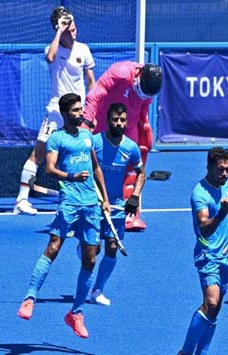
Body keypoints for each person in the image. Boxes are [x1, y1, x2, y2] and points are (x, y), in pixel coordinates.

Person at [16, 93, 110, 339]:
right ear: (66, 113)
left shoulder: (88, 137)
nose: (81, 113)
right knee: (53, 248)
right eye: (77, 110)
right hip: (69, 203)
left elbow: (96, 168)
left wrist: (106, 200)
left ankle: (76, 314)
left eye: (81, 109)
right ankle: (29, 298)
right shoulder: (56, 138)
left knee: (90, 260)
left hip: (91, 205)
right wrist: (71, 177)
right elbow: (49, 169)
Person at [14, 6, 96, 215]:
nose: (73, 29)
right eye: (68, 26)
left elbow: (91, 82)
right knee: (38, 155)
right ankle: (21, 200)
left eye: (73, 25)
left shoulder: (83, 49)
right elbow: (50, 58)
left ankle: (79, 198)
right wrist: (59, 31)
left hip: (79, 112)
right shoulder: (53, 48)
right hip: (56, 111)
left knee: (81, 154)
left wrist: (92, 110)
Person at [173, 147, 228, 355]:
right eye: (220, 169)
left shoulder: (226, 186)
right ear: (209, 167)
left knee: (216, 309)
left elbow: (227, 220)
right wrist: (221, 214)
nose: (224, 174)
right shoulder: (199, 194)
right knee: (210, 302)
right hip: (208, 255)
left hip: (226, 256)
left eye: (227, 170)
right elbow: (204, 226)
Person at [83, 61, 162, 231]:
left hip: (129, 127)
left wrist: (144, 128)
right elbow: (95, 94)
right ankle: (85, 212)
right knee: (94, 167)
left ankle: (129, 214)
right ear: (138, 74)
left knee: (133, 168)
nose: (142, 94)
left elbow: (144, 107)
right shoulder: (120, 72)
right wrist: (86, 122)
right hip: (103, 124)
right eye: (140, 90)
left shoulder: (149, 88)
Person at [88, 102, 146, 306]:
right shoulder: (94, 143)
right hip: (93, 204)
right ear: (108, 121)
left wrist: (135, 196)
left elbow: (141, 173)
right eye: (115, 120)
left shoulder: (131, 148)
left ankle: (97, 290)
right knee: (92, 251)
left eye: (122, 120)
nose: (119, 123)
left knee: (111, 247)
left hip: (117, 205)